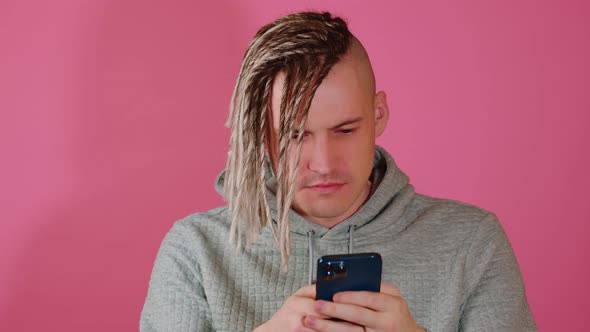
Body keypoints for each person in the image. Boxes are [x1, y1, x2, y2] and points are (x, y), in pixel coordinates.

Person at [140, 11, 537, 332]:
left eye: (345, 130)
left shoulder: (472, 242)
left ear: (378, 114)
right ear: (261, 134)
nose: (325, 163)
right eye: (295, 136)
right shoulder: (194, 250)